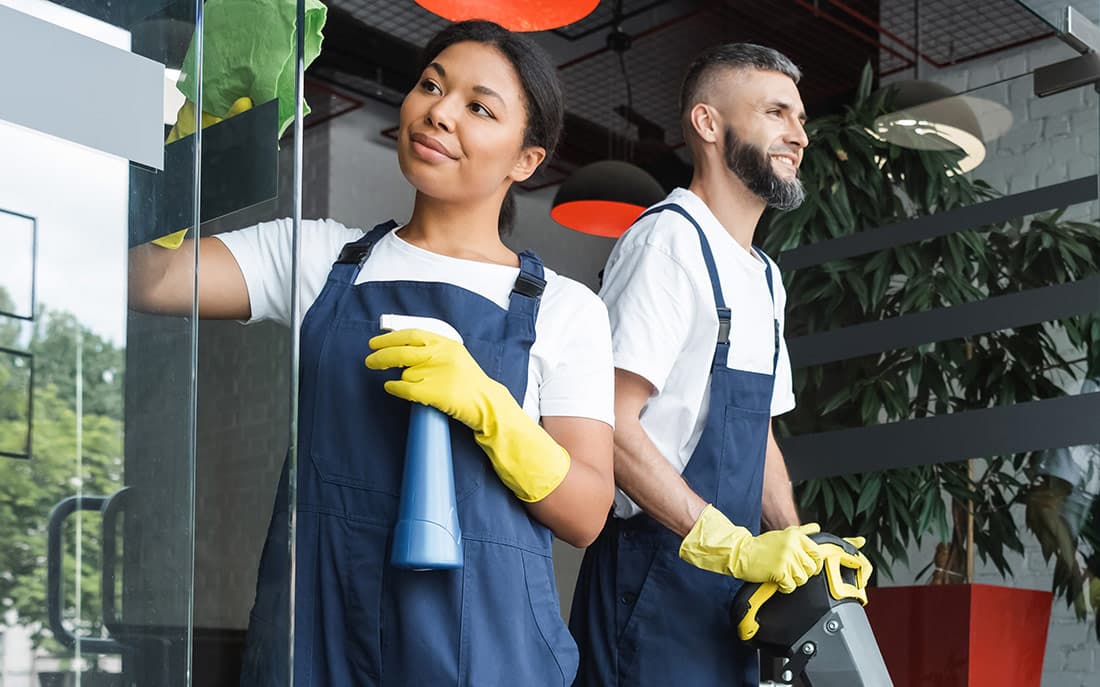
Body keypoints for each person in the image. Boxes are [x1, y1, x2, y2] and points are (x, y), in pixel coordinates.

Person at [129, 20, 615, 686]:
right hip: (319, 637)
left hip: (487, 653)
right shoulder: (315, 257)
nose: (440, 112)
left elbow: (587, 513)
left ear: (525, 161)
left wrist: (494, 414)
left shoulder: (563, 309)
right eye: (430, 85)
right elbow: (146, 278)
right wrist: (198, 129)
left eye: (479, 106)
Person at [569, 43, 870, 686]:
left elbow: (752, 432)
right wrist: (728, 544)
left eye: (801, 119)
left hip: (726, 595)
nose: (799, 135)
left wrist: (799, 549)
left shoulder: (764, 276)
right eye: (776, 113)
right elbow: (610, 424)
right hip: (650, 584)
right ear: (708, 125)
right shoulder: (666, 243)